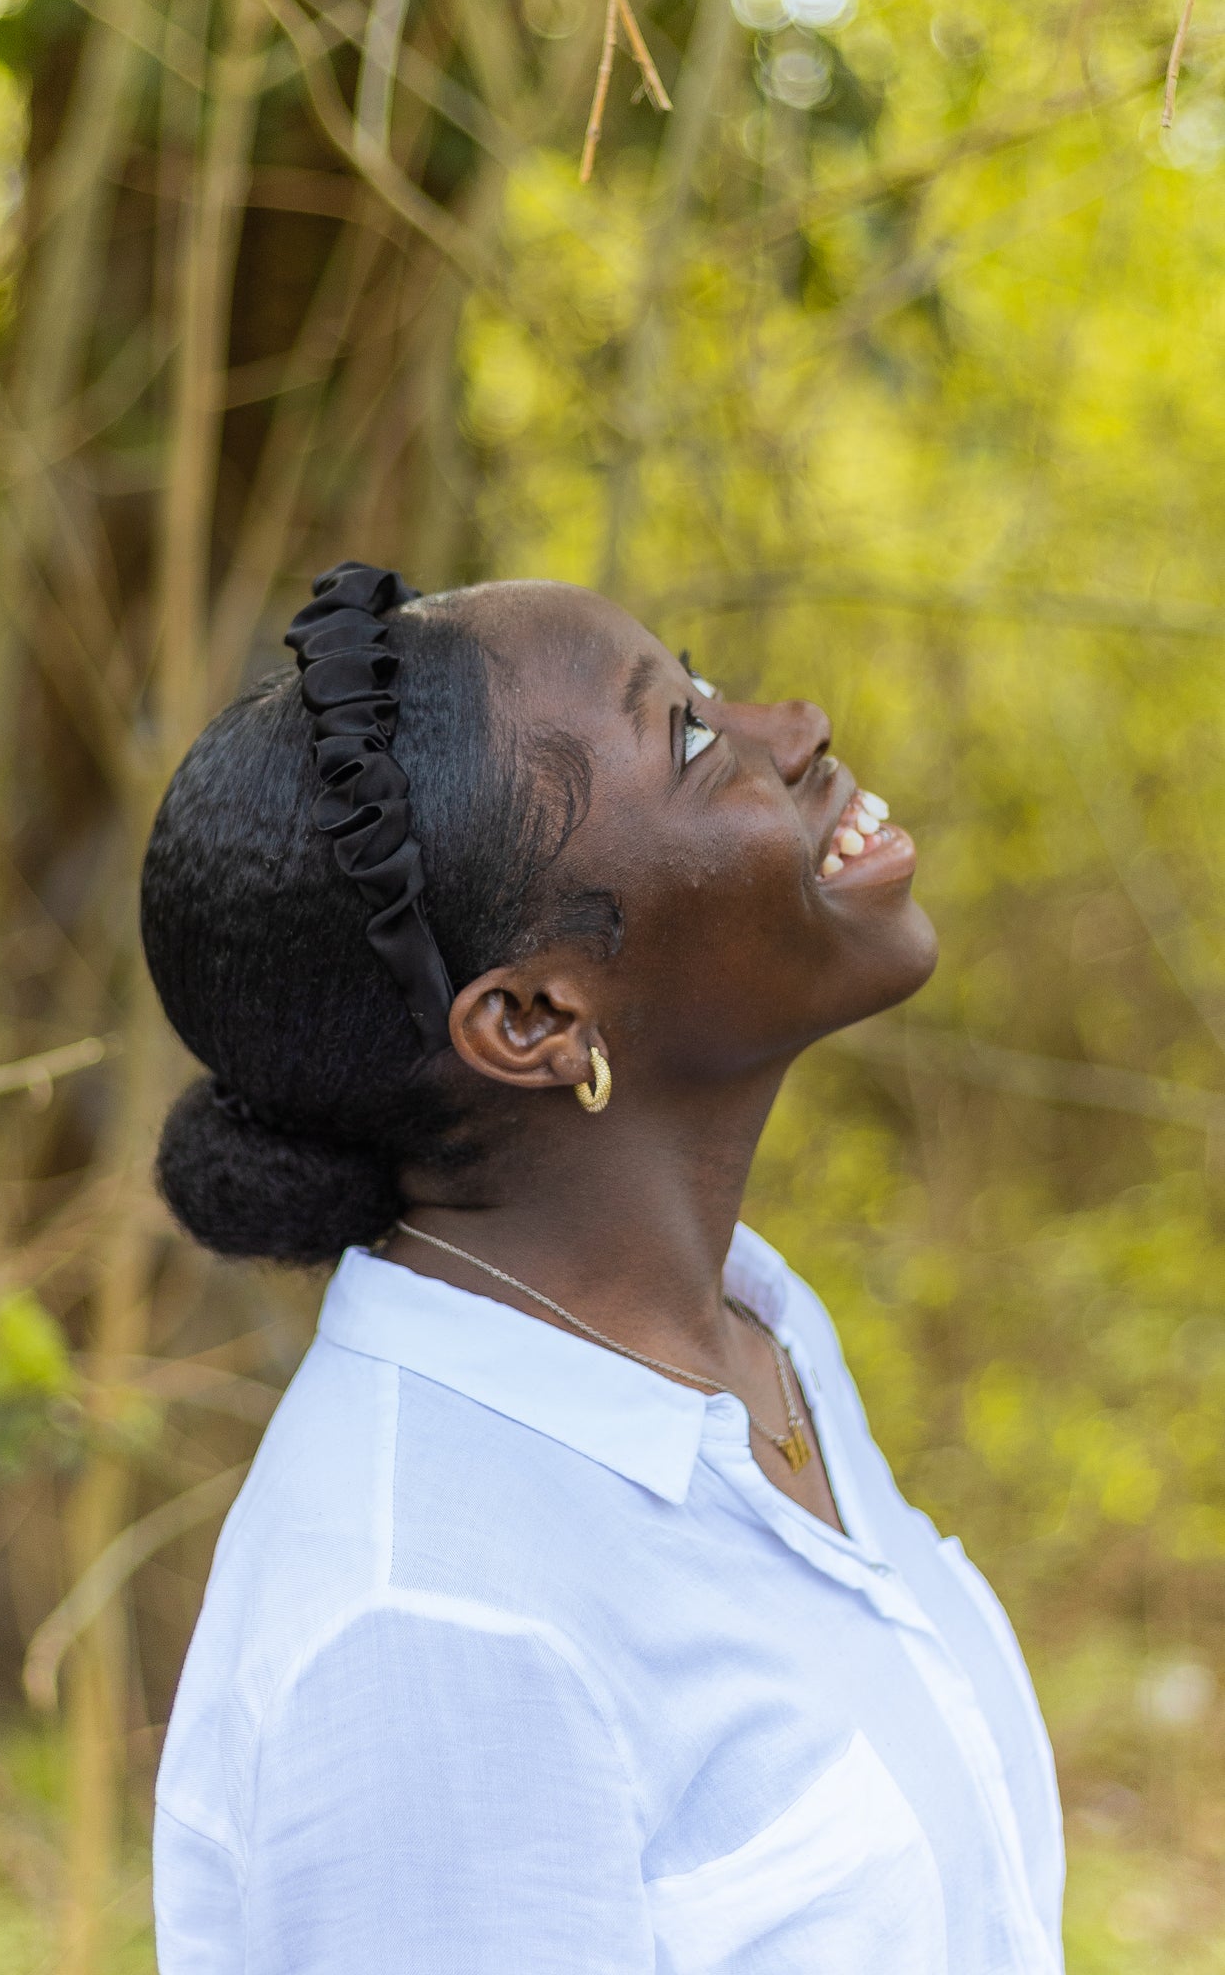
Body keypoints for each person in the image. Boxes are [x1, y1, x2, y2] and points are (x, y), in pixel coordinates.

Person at [140, 561, 1065, 1975]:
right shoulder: (428, 1631)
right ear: (531, 1017)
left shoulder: (749, 1342)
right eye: (690, 735)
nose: (795, 721)